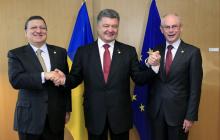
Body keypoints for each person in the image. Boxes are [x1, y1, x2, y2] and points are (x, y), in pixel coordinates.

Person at [54, 9, 160, 140]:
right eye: (106, 26)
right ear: (98, 27)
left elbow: (139, 79)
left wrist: (154, 67)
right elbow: (75, 78)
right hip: (94, 113)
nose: (110, 29)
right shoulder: (83, 52)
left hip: (120, 115)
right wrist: (65, 79)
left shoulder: (128, 51)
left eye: (114, 26)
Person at [8, 16, 71, 140]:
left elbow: (66, 83)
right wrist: (44, 75)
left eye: (42, 27)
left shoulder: (60, 52)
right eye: (34, 27)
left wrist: (67, 109)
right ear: (25, 32)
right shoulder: (16, 54)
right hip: (29, 118)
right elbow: (16, 80)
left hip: (56, 117)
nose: (39, 30)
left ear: (46, 31)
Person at [147, 13, 203, 140]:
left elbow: (195, 88)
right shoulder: (156, 50)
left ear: (180, 28)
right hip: (157, 113)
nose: (171, 30)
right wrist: (148, 63)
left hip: (179, 115)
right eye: (167, 27)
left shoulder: (192, 52)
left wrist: (190, 116)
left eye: (174, 26)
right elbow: (149, 77)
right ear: (162, 30)